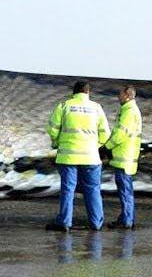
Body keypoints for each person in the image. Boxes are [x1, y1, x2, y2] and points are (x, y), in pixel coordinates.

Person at [46, 81, 111, 231]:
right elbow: (106, 133)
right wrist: (95, 146)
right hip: (91, 157)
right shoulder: (96, 108)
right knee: (93, 189)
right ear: (88, 93)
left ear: (73, 93)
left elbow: (52, 129)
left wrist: (57, 142)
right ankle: (96, 223)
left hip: (68, 157)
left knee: (68, 190)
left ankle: (65, 223)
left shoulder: (64, 106)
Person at [103, 85, 142, 229]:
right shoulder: (129, 110)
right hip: (126, 157)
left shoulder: (129, 112)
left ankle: (126, 220)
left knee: (125, 191)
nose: (118, 97)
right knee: (126, 190)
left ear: (127, 95)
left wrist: (107, 146)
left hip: (124, 158)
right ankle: (126, 217)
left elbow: (120, 134)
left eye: (120, 94)